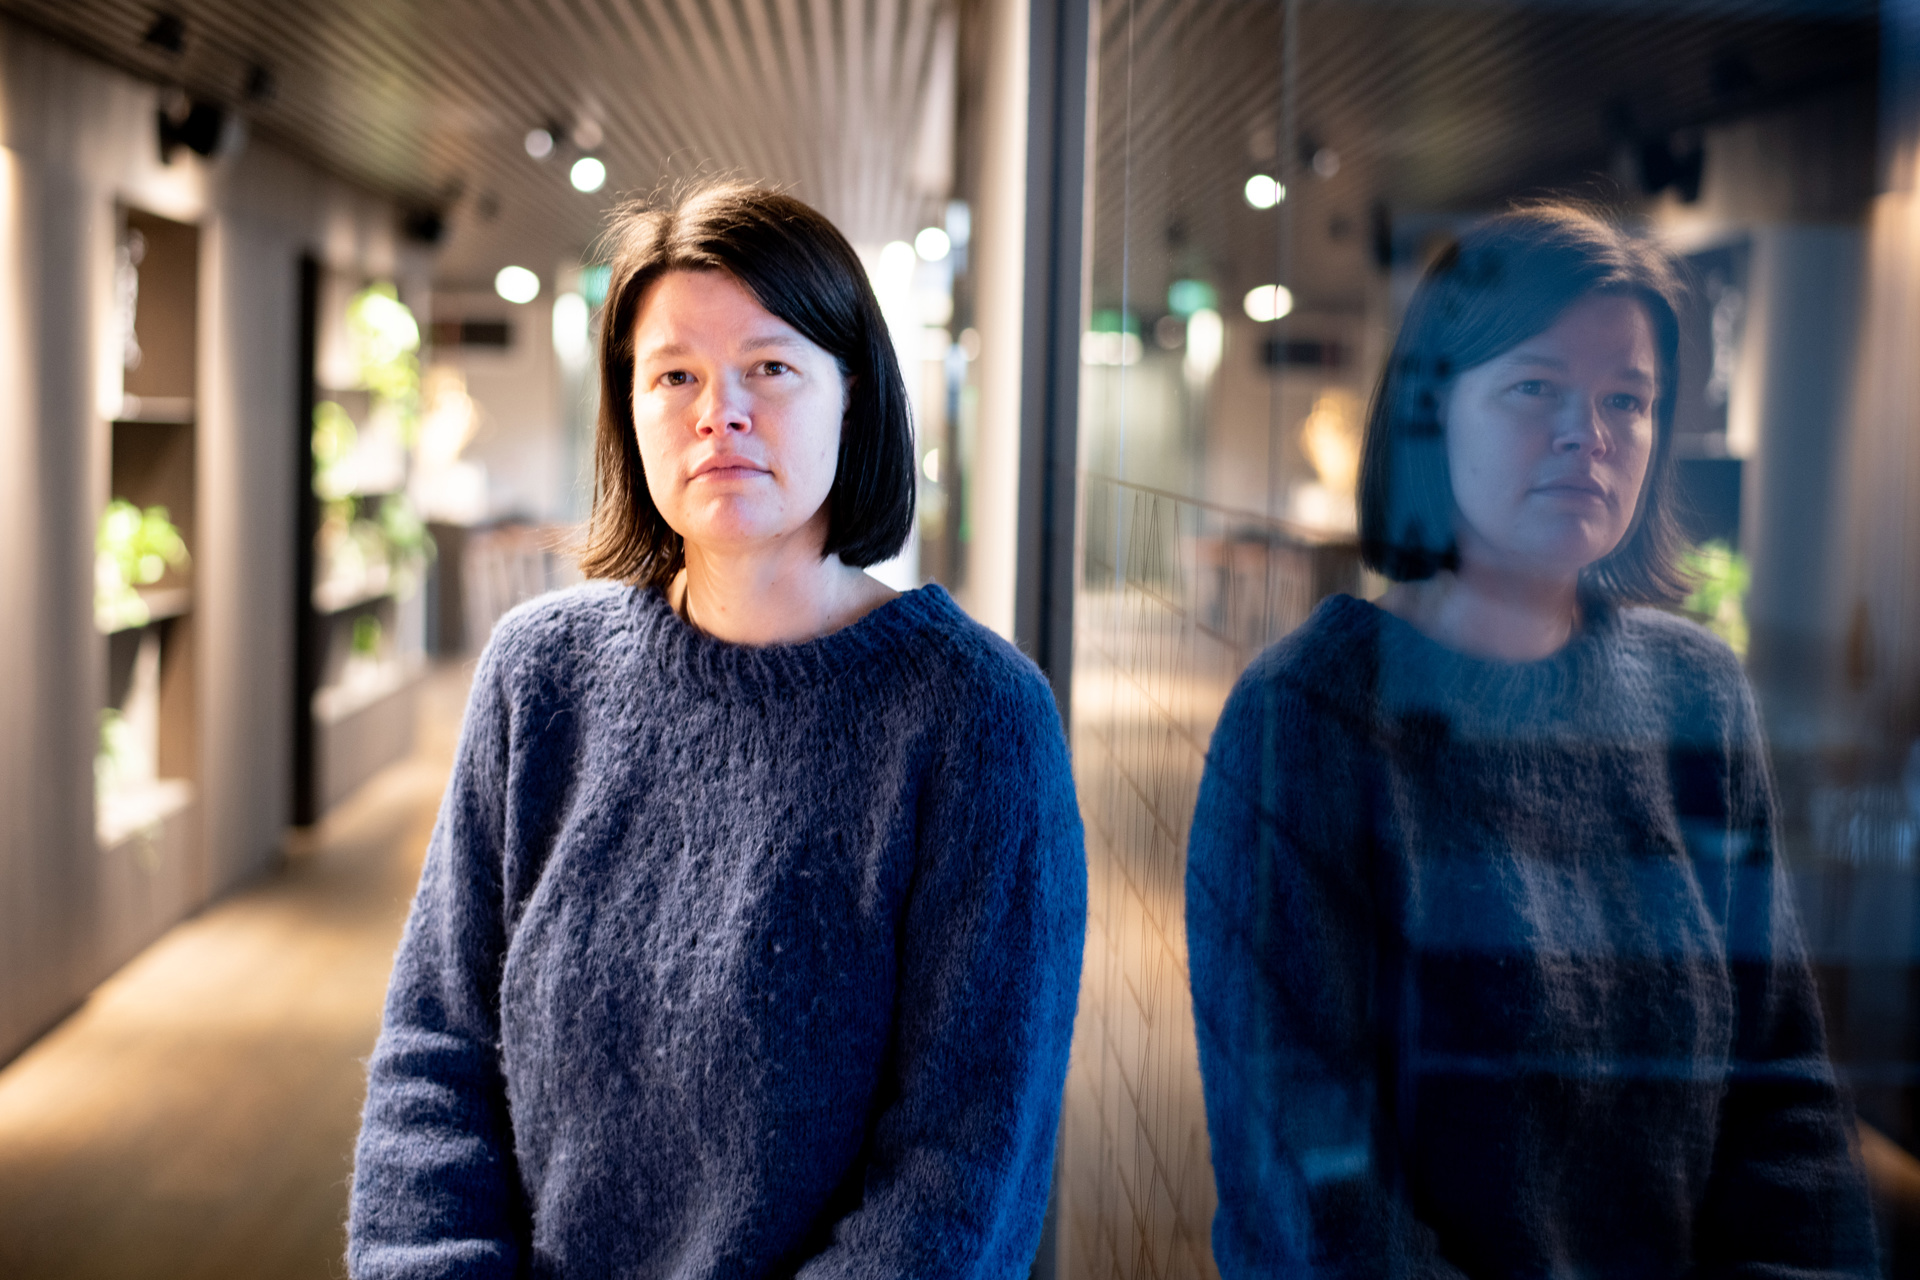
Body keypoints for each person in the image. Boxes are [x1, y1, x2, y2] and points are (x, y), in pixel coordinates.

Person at [347, 183, 1086, 1279]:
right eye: (675, 375)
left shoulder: (976, 721)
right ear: (628, 407)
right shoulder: (539, 675)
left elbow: (959, 1178)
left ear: (855, 395)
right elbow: (434, 1054)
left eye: (769, 368)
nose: (717, 411)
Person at [1186, 203, 1878, 1278]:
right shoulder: (1305, 717)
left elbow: (1782, 1088)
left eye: (1627, 400)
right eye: (1535, 387)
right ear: (1429, 411)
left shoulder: (1697, 692)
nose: (1589, 433)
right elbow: (1310, 1196)